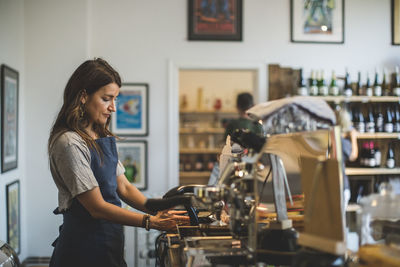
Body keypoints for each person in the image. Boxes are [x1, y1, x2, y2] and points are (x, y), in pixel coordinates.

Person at [48, 58, 188, 267]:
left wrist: (156, 210)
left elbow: (123, 186)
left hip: (108, 243)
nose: (113, 107)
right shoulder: (69, 142)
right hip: (82, 249)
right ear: (83, 96)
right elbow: (97, 207)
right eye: (107, 99)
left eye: (115, 99)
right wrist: (151, 222)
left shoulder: (98, 136)